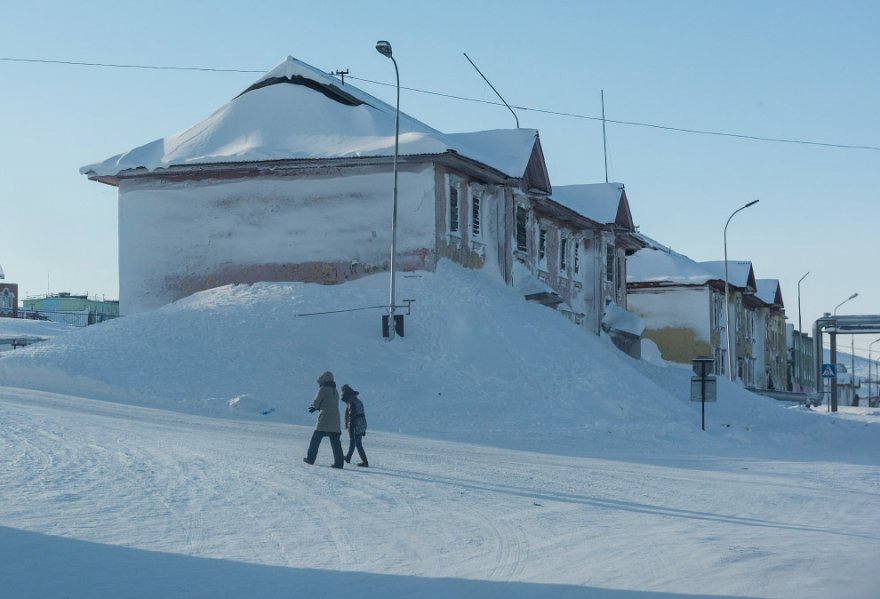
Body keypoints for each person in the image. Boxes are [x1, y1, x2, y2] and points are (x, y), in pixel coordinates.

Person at [303, 371, 344, 469]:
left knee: (315, 439)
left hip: (324, 418)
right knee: (335, 442)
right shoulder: (335, 391)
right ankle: (339, 463)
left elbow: (316, 402)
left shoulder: (323, 389)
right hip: (335, 420)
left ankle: (310, 459)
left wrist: (314, 407)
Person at [341, 384, 368, 468]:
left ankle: (365, 462)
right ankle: (348, 457)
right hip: (361, 424)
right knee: (353, 442)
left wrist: (351, 428)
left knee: (357, 443)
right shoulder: (357, 401)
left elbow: (352, 417)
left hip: (356, 425)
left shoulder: (352, 403)